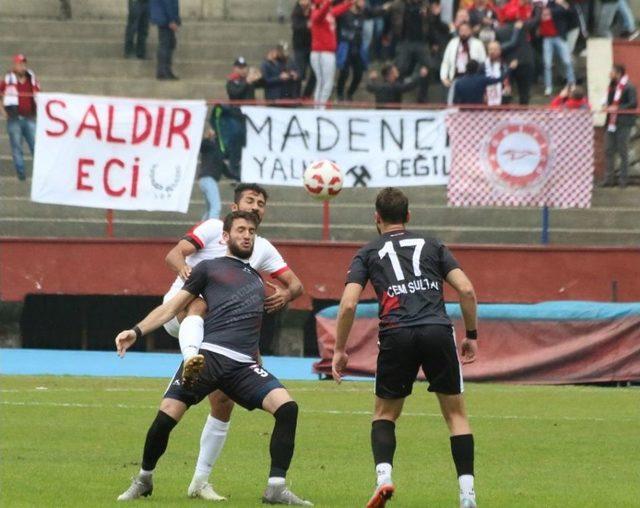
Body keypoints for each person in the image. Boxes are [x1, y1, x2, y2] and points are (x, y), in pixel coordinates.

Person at [115, 211, 313, 506]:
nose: (247, 235)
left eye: (251, 232)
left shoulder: (257, 280)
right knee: (166, 416)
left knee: (287, 408)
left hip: (244, 366)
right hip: (209, 357)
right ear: (225, 237)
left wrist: (259, 364)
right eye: (241, 230)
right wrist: (136, 330)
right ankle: (144, 478)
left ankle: (276, 487)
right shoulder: (208, 268)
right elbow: (172, 308)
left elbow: (253, 327)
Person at [331, 187, 479, 508]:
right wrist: (472, 334)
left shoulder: (367, 252)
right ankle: (467, 496)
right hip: (437, 330)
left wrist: (339, 350)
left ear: (376, 218)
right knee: (456, 416)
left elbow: (347, 305)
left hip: (396, 332)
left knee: (385, 414)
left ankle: (384, 480)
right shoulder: (434, 245)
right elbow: (466, 290)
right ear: (408, 216)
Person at [162, 183, 304, 500]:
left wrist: (285, 294)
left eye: (261, 203)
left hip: (223, 330)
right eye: (249, 200)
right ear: (234, 205)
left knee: (223, 402)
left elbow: (296, 285)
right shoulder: (213, 228)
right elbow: (174, 254)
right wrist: (192, 275)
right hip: (181, 309)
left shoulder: (261, 247)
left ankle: (200, 481)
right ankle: (190, 358)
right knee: (201, 303)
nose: (255, 206)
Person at [0, 54, 40, 181]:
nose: (22, 66)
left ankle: (40, 172)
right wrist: (2, 111)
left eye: (23, 63)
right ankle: (21, 174)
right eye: (19, 64)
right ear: (15, 65)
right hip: (14, 119)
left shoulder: (31, 77)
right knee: (17, 147)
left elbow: (39, 93)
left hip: (29, 118)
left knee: (35, 146)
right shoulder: (8, 79)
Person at [383, 0, 432, 102]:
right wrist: (386, 34)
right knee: (399, 69)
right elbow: (387, 18)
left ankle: (423, 96)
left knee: (428, 67)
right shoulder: (397, 4)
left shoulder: (425, 4)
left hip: (421, 41)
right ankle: (396, 97)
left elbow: (430, 22)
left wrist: (433, 40)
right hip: (404, 41)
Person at [309, 0, 354, 106]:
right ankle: (319, 108)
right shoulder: (316, 12)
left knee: (326, 82)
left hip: (328, 52)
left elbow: (338, 10)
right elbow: (320, 15)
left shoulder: (329, 13)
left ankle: (320, 106)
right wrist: (328, 2)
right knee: (323, 82)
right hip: (321, 52)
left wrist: (350, 3)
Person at [602, 64, 637, 188]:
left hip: (623, 123)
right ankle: (608, 179)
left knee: (623, 151)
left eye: (611, 71)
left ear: (618, 73)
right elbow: (609, 102)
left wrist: (617, 108)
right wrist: (606, 106)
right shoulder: (611, 86)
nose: (609, 74)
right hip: (610, 122)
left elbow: (633, 103)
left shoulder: (629, 86)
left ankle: (623, 180)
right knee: (608, 150)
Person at [538, 0, 575, 96]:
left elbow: (571, 13)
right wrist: (561, 6)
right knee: (547, 64)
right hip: (547, 37)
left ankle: (571, 83)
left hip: (560, 36)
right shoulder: (550, 3)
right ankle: (548, 87)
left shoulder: (565, 3)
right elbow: (545, 12)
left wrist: (562, 5)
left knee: (567, 61)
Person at [440, 22, 486, 89]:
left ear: (471, 31)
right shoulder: (452, 43)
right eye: (461, 30)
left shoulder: (478, 44)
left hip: (473, 79)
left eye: (466, 30)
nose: (463, 33)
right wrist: (444, 78)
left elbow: (483, 63)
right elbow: (446, 62)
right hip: (456, 78)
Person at [451, 59, 515, 105]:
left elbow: (455, 101)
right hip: (478, 110)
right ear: (477, 68)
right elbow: (499, 79)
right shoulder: (481, 80)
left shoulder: (458, 82)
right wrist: (510, 69)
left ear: (466, 68)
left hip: (463, 111)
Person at [291, 0, 317, 99]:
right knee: (300, 72)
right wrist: (307, 25)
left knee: (315, 72)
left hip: (312, 46)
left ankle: (307, 94)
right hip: (299, 47)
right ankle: (296, 95)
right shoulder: (296, 12)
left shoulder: (314, 10)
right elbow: (296, 26)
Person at [197, 127, 224, 220]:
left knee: (209, 209)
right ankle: (211, 231)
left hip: (205, 180)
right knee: (216, 207)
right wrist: (207, 137)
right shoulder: (208, 146)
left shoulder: (216, 150)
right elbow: (201, 146)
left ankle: (200, 231)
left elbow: (224, 168)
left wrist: (238, 177)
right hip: (208, 179)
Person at [150, 0, 180, 80]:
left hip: (164, 18)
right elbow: (168, 3)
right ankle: (163, 71)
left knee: (169, 44)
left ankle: (166, 70)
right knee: (165, 45)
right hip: (165, 19)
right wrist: (172, 20)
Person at [480, 41, 511, 105]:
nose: (492, 52)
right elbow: (479, 82)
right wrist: (482, 94)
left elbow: (507, 80)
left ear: (500, 51)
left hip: (502, 98)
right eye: (490, 49)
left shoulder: (504, 65)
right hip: (486, 99)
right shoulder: (482, 66)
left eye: (495, 49)